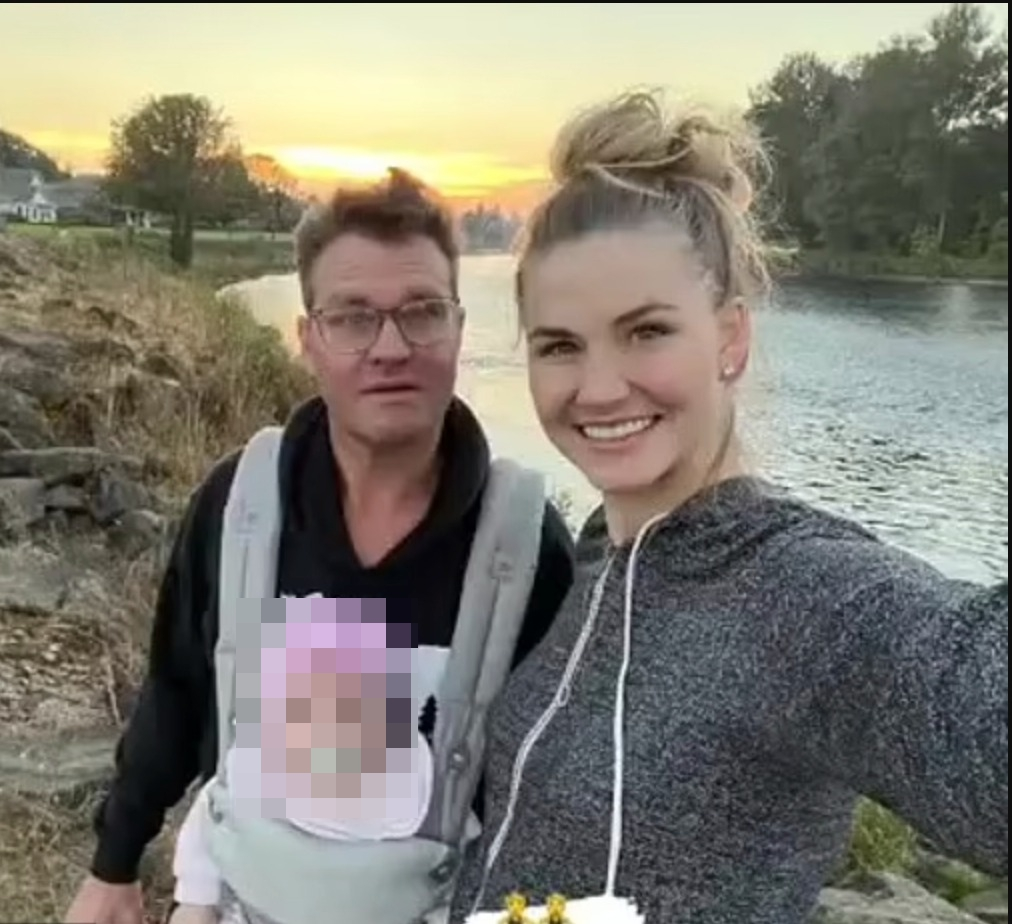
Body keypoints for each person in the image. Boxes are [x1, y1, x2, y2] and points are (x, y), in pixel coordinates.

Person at [449, 90, 1008, 924]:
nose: (599, 388)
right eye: (560, 345)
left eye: (647, 332)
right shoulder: (593, 559)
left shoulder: (806, 594)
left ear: (732, 339)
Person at [64, 168, 575, 924]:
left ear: (461, 328)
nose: (391, 347)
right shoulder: (240, 506)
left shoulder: (528, 549)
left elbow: (546, 798)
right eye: (353, 317)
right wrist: (114, 863)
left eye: (423, 313)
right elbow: (176, 687)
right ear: (306, 338)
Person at [168, 602, 436, 924]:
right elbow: (210, 828)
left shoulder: (413, 789)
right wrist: (196, 901)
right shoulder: (256, 766)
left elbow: (452, 869)